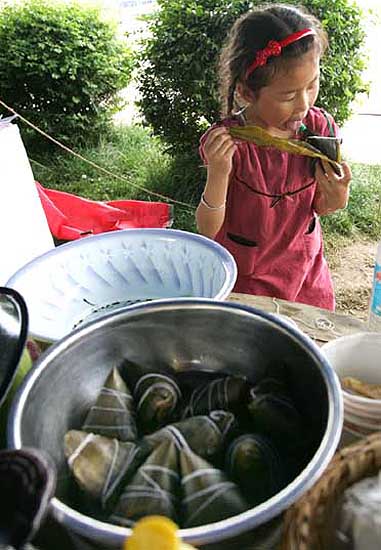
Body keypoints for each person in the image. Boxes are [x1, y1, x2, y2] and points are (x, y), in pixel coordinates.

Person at [196, 4, 351, 311]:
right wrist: (218, 172)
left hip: (305, 277)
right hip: (249, 283)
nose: (303, 104)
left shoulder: (319, 129)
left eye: (312, 85)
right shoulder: (231, 142)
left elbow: (319, 206)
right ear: (246, 91)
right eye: (287, 95)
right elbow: (208, 229)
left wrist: (338, 196)